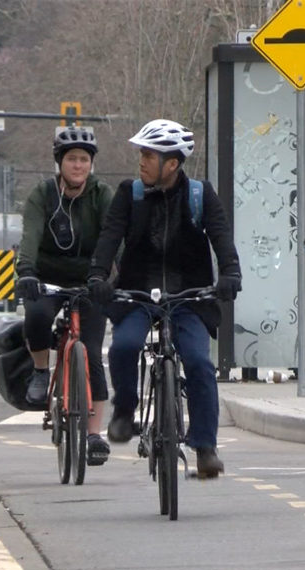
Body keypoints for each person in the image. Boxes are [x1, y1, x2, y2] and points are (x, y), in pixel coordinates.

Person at [86, 119, 242, 479]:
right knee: (124, 347)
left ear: (171, 164)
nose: (141, 162)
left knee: (200, 365)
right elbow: (110, 237)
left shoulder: (200, 195)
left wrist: (230, 275)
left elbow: (221, 237)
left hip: (189, 295)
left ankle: (205, 447)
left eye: (148, 155)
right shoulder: (130, 193)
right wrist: (97, 275)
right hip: (137, 292)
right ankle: (125, 410)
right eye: (141, 154)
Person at [17, 125, 114, 466]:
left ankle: (93, 434)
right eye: (71, 159)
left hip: (92, 279)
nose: (78, 166)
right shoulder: (43, 195)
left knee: (91, 355)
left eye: (84, 160)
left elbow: (112, 237)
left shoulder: (103, 195)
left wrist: (110, 276)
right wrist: (26, 272)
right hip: (47, 277)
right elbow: (29, 235)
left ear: (91, 164)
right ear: (60, 162)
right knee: (39, 315)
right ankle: (42, 372)